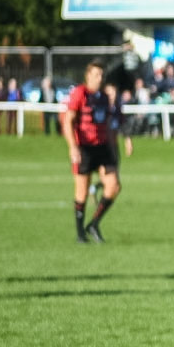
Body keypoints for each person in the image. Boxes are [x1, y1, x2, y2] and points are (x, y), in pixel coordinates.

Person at [62, 62, 127, 243]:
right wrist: (73, 147)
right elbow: (68, 121)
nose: (100, 78)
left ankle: (94, 223)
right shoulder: (80, 94)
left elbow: (106, 125)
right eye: (97, 74)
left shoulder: (104, 97)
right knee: (82, 190)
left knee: (114, 186)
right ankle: (80, 233)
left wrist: (112, 149)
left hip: (102, 147)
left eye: (102, 75)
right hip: (84, 147)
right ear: (88, 76)